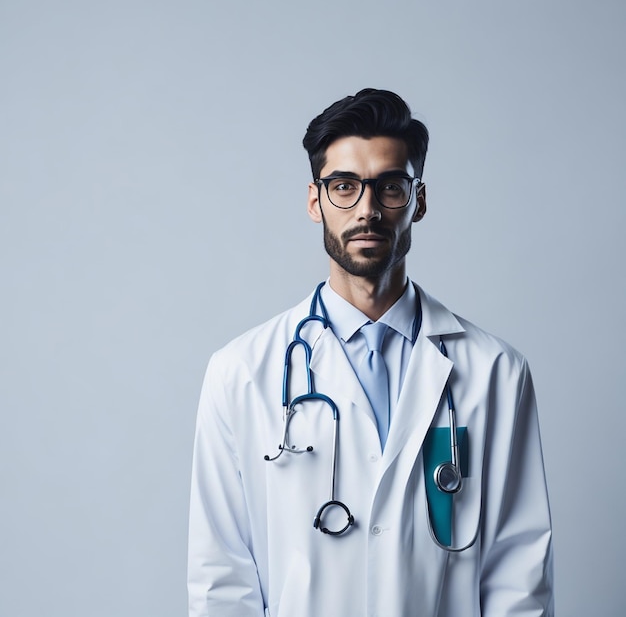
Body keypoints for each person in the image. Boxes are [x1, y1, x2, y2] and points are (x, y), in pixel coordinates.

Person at [187, 88, 554, 617]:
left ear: (418, 200)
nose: (367, 209)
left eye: (389, 187)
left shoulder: (496, 372)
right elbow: (220, 578)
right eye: (343, 186)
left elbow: (519, 572)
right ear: (315, 201)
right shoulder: (241, 372)